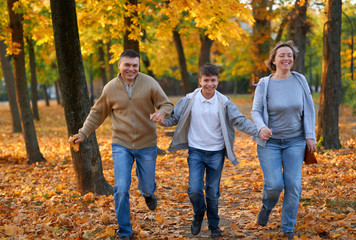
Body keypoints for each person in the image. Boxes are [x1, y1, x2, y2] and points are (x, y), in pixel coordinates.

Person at [71, 49, 174, 240]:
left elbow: (166, 104)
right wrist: (83, 133)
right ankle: (125, 231)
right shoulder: (110, 88)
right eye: (127, 64)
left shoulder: (149, 83)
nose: (131, 69)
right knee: (121, 188)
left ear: (138, 66)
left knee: (148, 186)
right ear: (119, 65)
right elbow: (97, 113)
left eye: (135, 65)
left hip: (146, 144)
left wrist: (162, 113)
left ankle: (148, 192)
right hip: (121, 144)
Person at [158, 63, 259, 238]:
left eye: (213, 80)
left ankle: (214, 226)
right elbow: (174, 118)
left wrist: (259, 131)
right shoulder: (190, 99)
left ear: (218, 81)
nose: (209, 84)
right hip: (196, 151)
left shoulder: (224, 102)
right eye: (206, 80)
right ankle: (198, 213)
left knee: (212, 192)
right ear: (200, 81)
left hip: (216, 153)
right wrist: (161, 120)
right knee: (195, 190)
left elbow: (240, 120)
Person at [251, 40, 317, 240]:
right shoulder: (265, 83)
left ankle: (288, 228)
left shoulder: (300, 80)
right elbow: (255, 110)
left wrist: (310, 135)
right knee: (274, 185)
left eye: (289, 55)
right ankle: (267, 206)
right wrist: (261, 127)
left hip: (295, 142)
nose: (286, 58)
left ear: (293, 59)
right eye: (282, 55)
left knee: (293, 185)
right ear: (273, 60)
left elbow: (309, 108)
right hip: (269, 142)